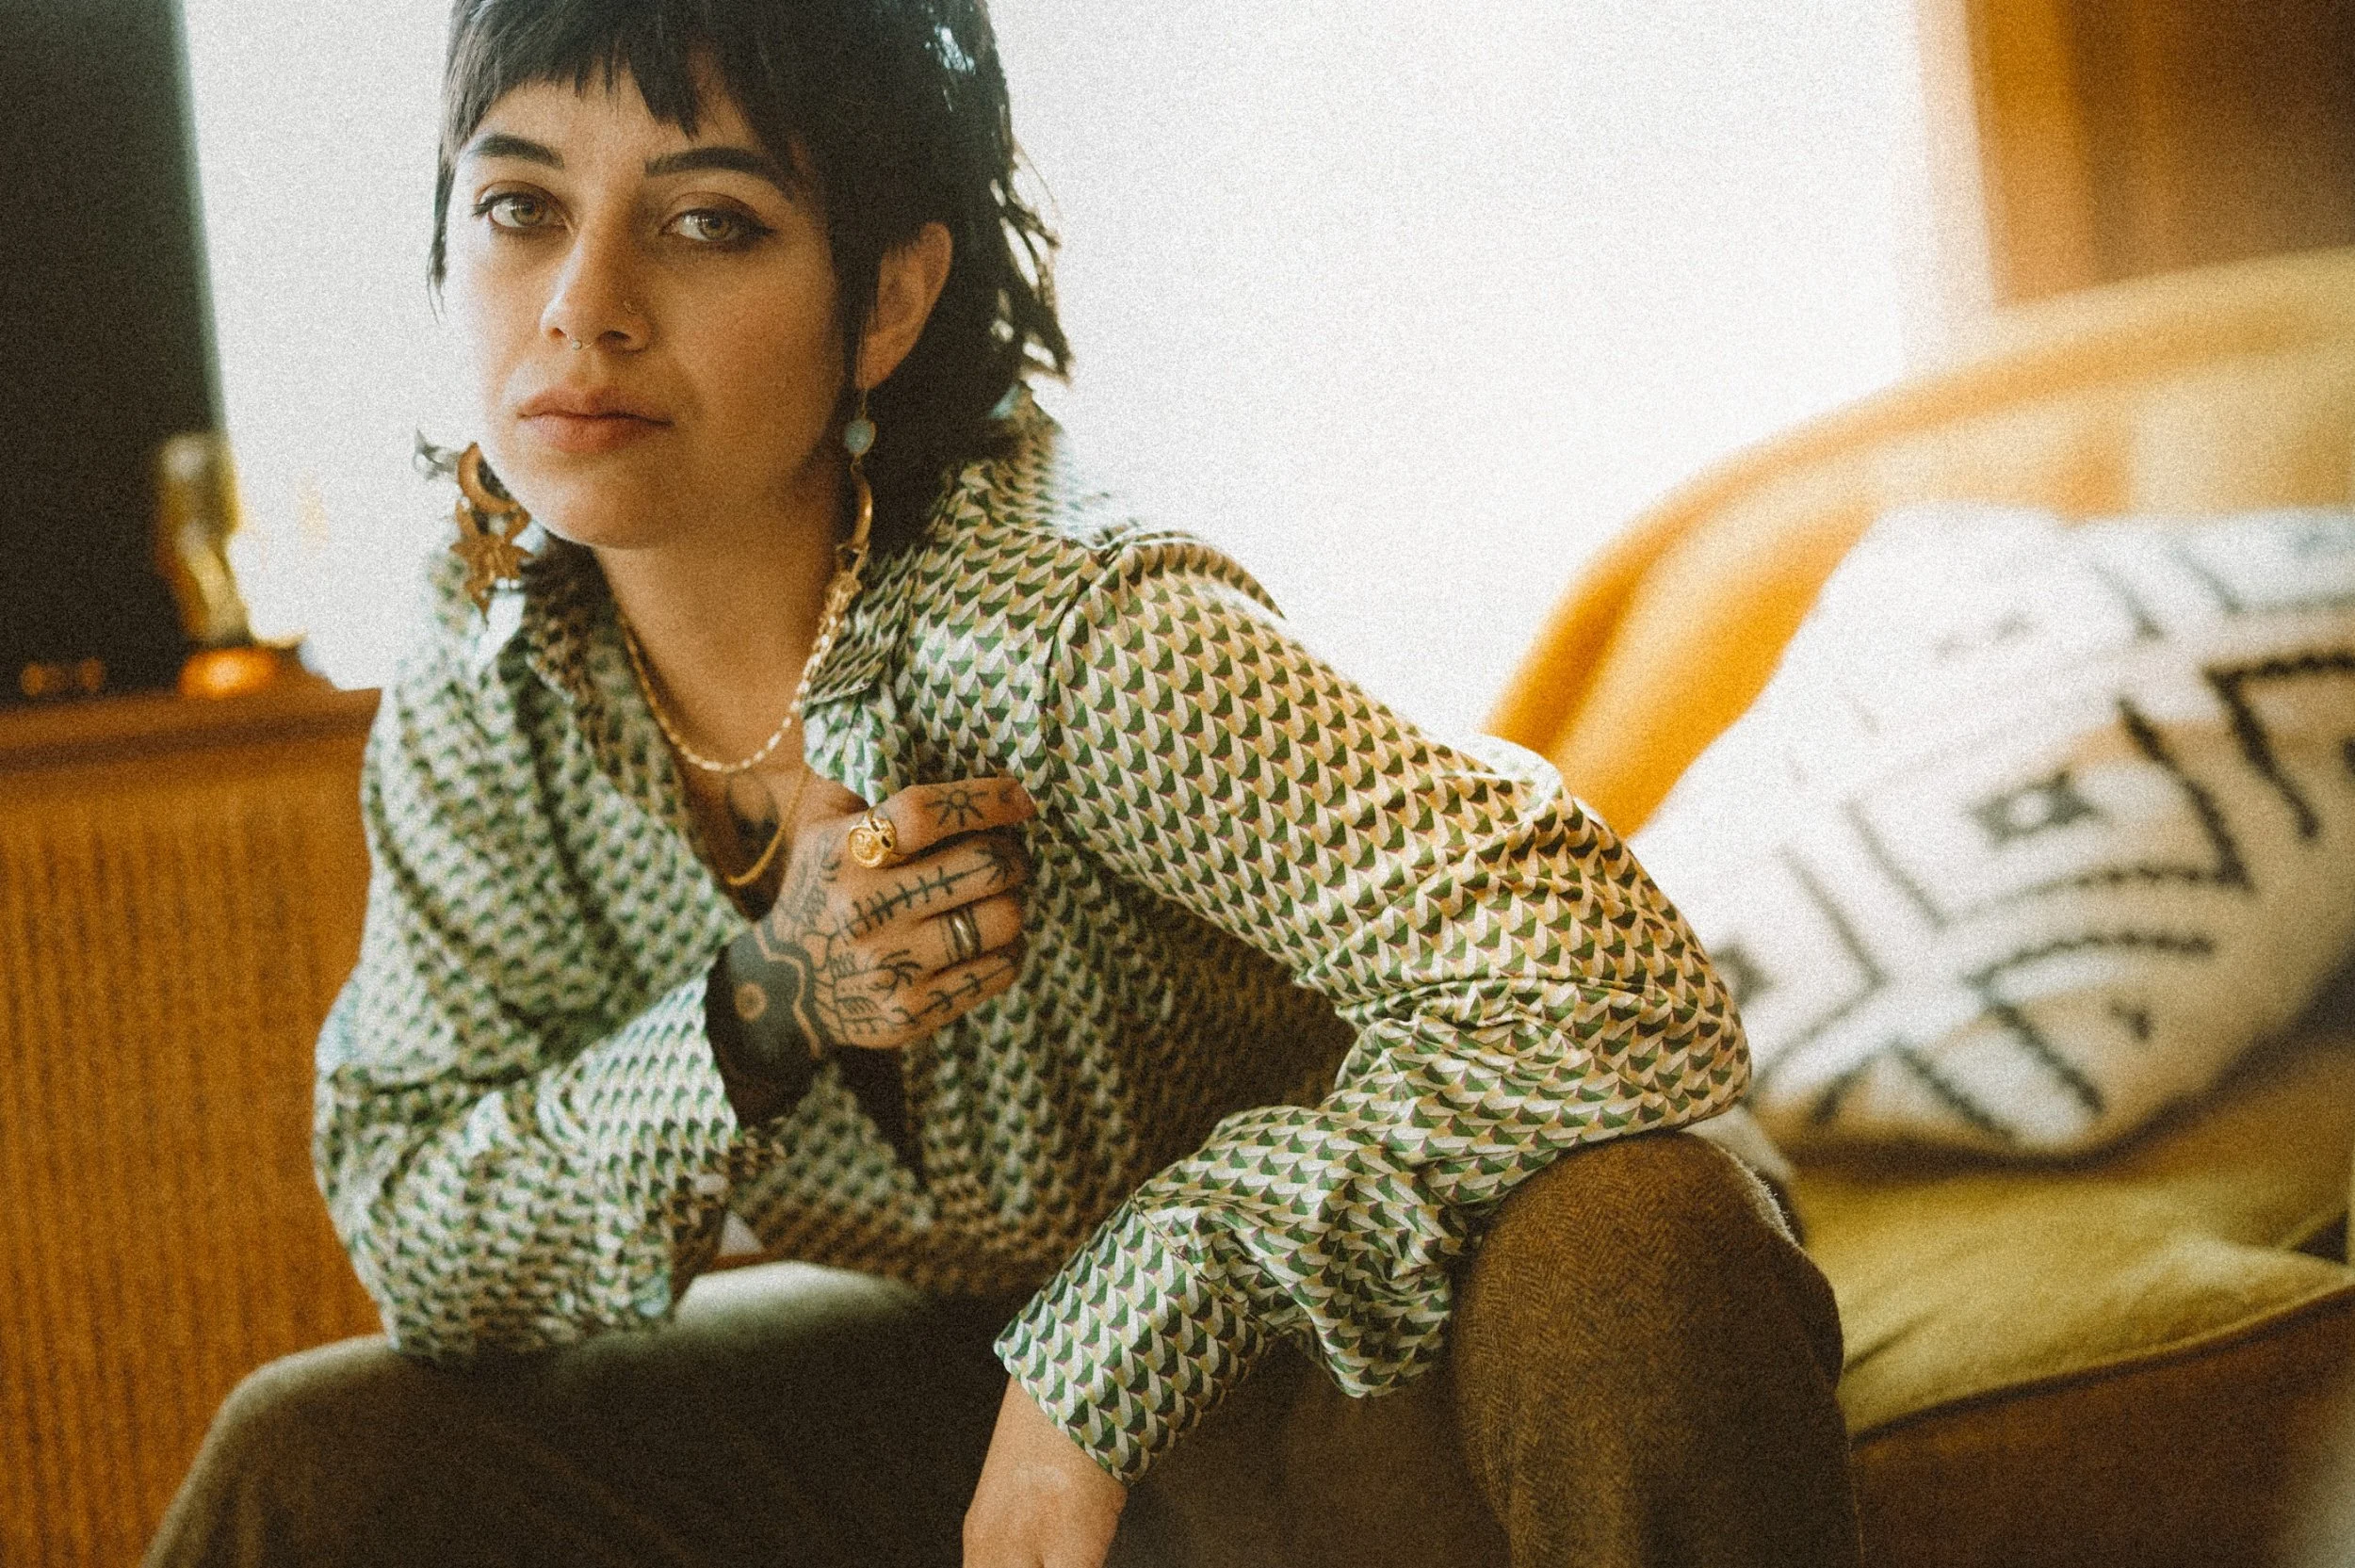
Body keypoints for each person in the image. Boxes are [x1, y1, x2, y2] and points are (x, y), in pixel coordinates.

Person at [149, 2, 1859, 1564]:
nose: (583, 303)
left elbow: (1615, 984)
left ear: (885, 297)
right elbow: (414, 1221)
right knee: (320, 1457)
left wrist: (1114, 1344)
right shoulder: (488, 661)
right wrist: (758, 1011)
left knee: (1639, 1243)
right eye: (520, 206)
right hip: (994, 1358)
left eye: (708, 221)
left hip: (1385, 1324)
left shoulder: (1060, 629)